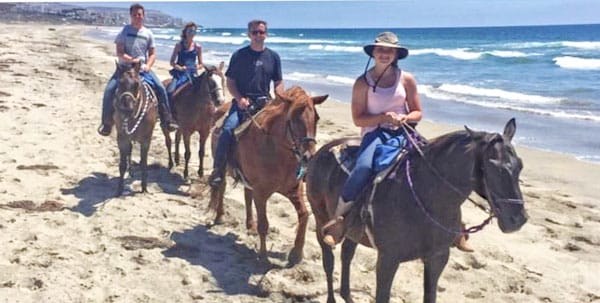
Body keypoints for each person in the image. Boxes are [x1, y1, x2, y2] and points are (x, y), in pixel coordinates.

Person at [207, 20, 284, 187]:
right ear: (249, 35)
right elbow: (230, 81)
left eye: (261, 32)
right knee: (227, 130)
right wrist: (239, 98)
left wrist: (280, 97)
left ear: (266, 34)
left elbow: (278, 82)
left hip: (265, 103)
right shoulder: (239, 55)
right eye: (255, 32)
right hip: (243, 103)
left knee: (286, 129)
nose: (258, 36)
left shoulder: (273, 57)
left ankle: (295, 169)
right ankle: (218, 171)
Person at [98, 3, 178, 136]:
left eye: (139, 15)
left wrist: (148, 66)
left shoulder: (148, 33)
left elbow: (152, 54)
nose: (137, 17)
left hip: (142, 69)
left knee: (160, 88)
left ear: (143, 16)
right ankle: (106, 123)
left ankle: (166, 119)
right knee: (109, 90)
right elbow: (119, 52)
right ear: (131, 16)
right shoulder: (125, 31)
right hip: (124, 69)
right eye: (134, 15)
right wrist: (132, 60)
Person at [167, 22, 203, 97]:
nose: (191, 33)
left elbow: (201, 64)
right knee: (170, 91)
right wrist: (180, 68)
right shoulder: (179, 45)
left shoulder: (198, 47)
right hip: (179, 74)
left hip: (193, 74)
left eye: (193, 31)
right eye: (189, 31)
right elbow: (172, 62)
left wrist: (198, 67)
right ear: (185, 32)